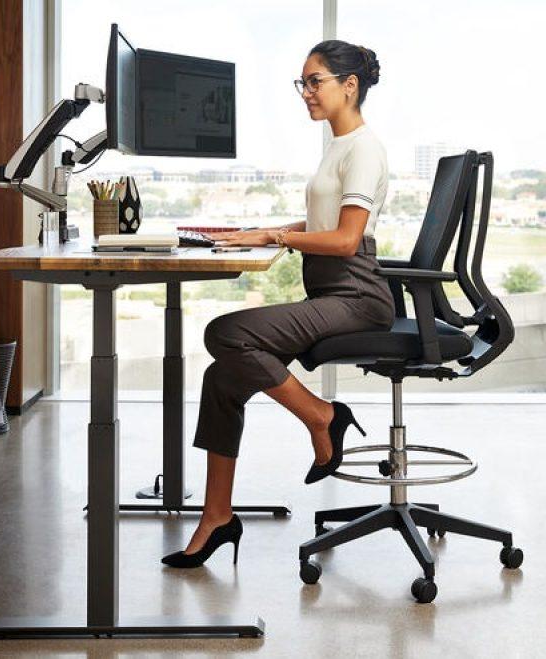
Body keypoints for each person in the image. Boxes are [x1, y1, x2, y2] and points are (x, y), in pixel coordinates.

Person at [162, 40, 394, 568]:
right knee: (222, 378)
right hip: (333, 292)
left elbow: (345, 241)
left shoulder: (364, 148)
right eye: (303, 83)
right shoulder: (337, 146)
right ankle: (217, 516)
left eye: (315, 81)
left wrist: (281, 239)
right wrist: (264, 233)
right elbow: (321, 224)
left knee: (226, 333)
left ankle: (322, 416)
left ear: (348, 86)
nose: (306, 92)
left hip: (356, 296)